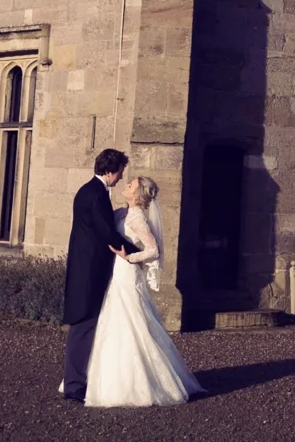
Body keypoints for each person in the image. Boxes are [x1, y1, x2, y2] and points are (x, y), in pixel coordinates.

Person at [85, 175, 203, 408]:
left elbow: (153, 250)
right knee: (115, 322)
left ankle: (139, 383)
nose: (126, 186)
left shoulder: (138, 217)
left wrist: (129, 257)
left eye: (131, 186)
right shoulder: (123, 212)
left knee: (130, 322)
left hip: (127, 275)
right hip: (116, 274)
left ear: (137, 196)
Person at [60, 148, 131, 404]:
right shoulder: (95, 194)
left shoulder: (91, 191)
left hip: (86, 269)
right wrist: (136, 252)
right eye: (121, 171)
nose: (122, 177)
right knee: (83, 325)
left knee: (86, 326)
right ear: (110, 171)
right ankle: (74, 385)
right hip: (88, 272)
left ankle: (78, 380)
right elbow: (106, 233)